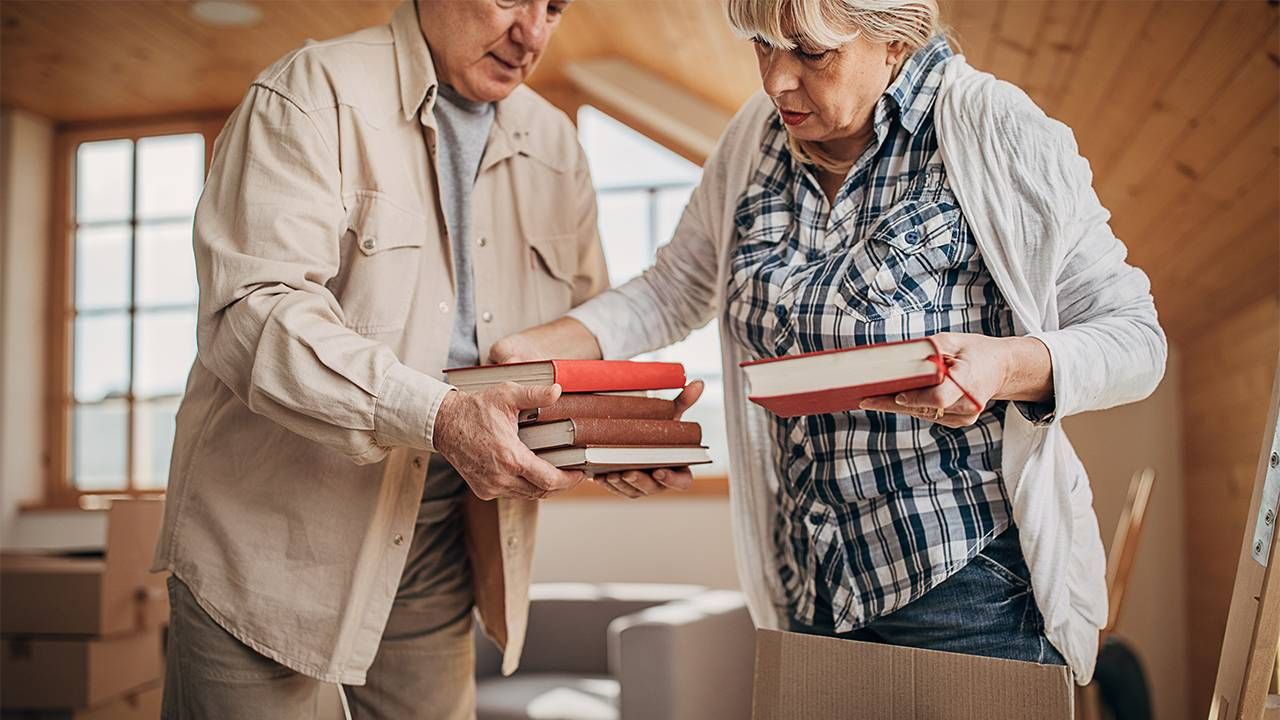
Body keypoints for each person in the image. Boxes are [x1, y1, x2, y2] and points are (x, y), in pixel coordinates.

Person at [491, 0, 1167, 684]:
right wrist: (542, 350)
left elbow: (1135, 339)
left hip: (971, 595)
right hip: (809, 591)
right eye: (761, 46)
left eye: (811, 52)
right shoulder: (751, 142)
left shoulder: (995, 128)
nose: (775, 81)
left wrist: (1004, 365)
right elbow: (673, 288)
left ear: (895, 42)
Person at [152, 1, 610, 717]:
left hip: (438, 542)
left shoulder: (557, 144)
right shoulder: (310, 92)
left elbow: (579, 328)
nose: (533, 35)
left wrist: (609, 439)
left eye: (554, 6)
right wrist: (439, 416)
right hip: (267, 543)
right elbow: (252, 313)